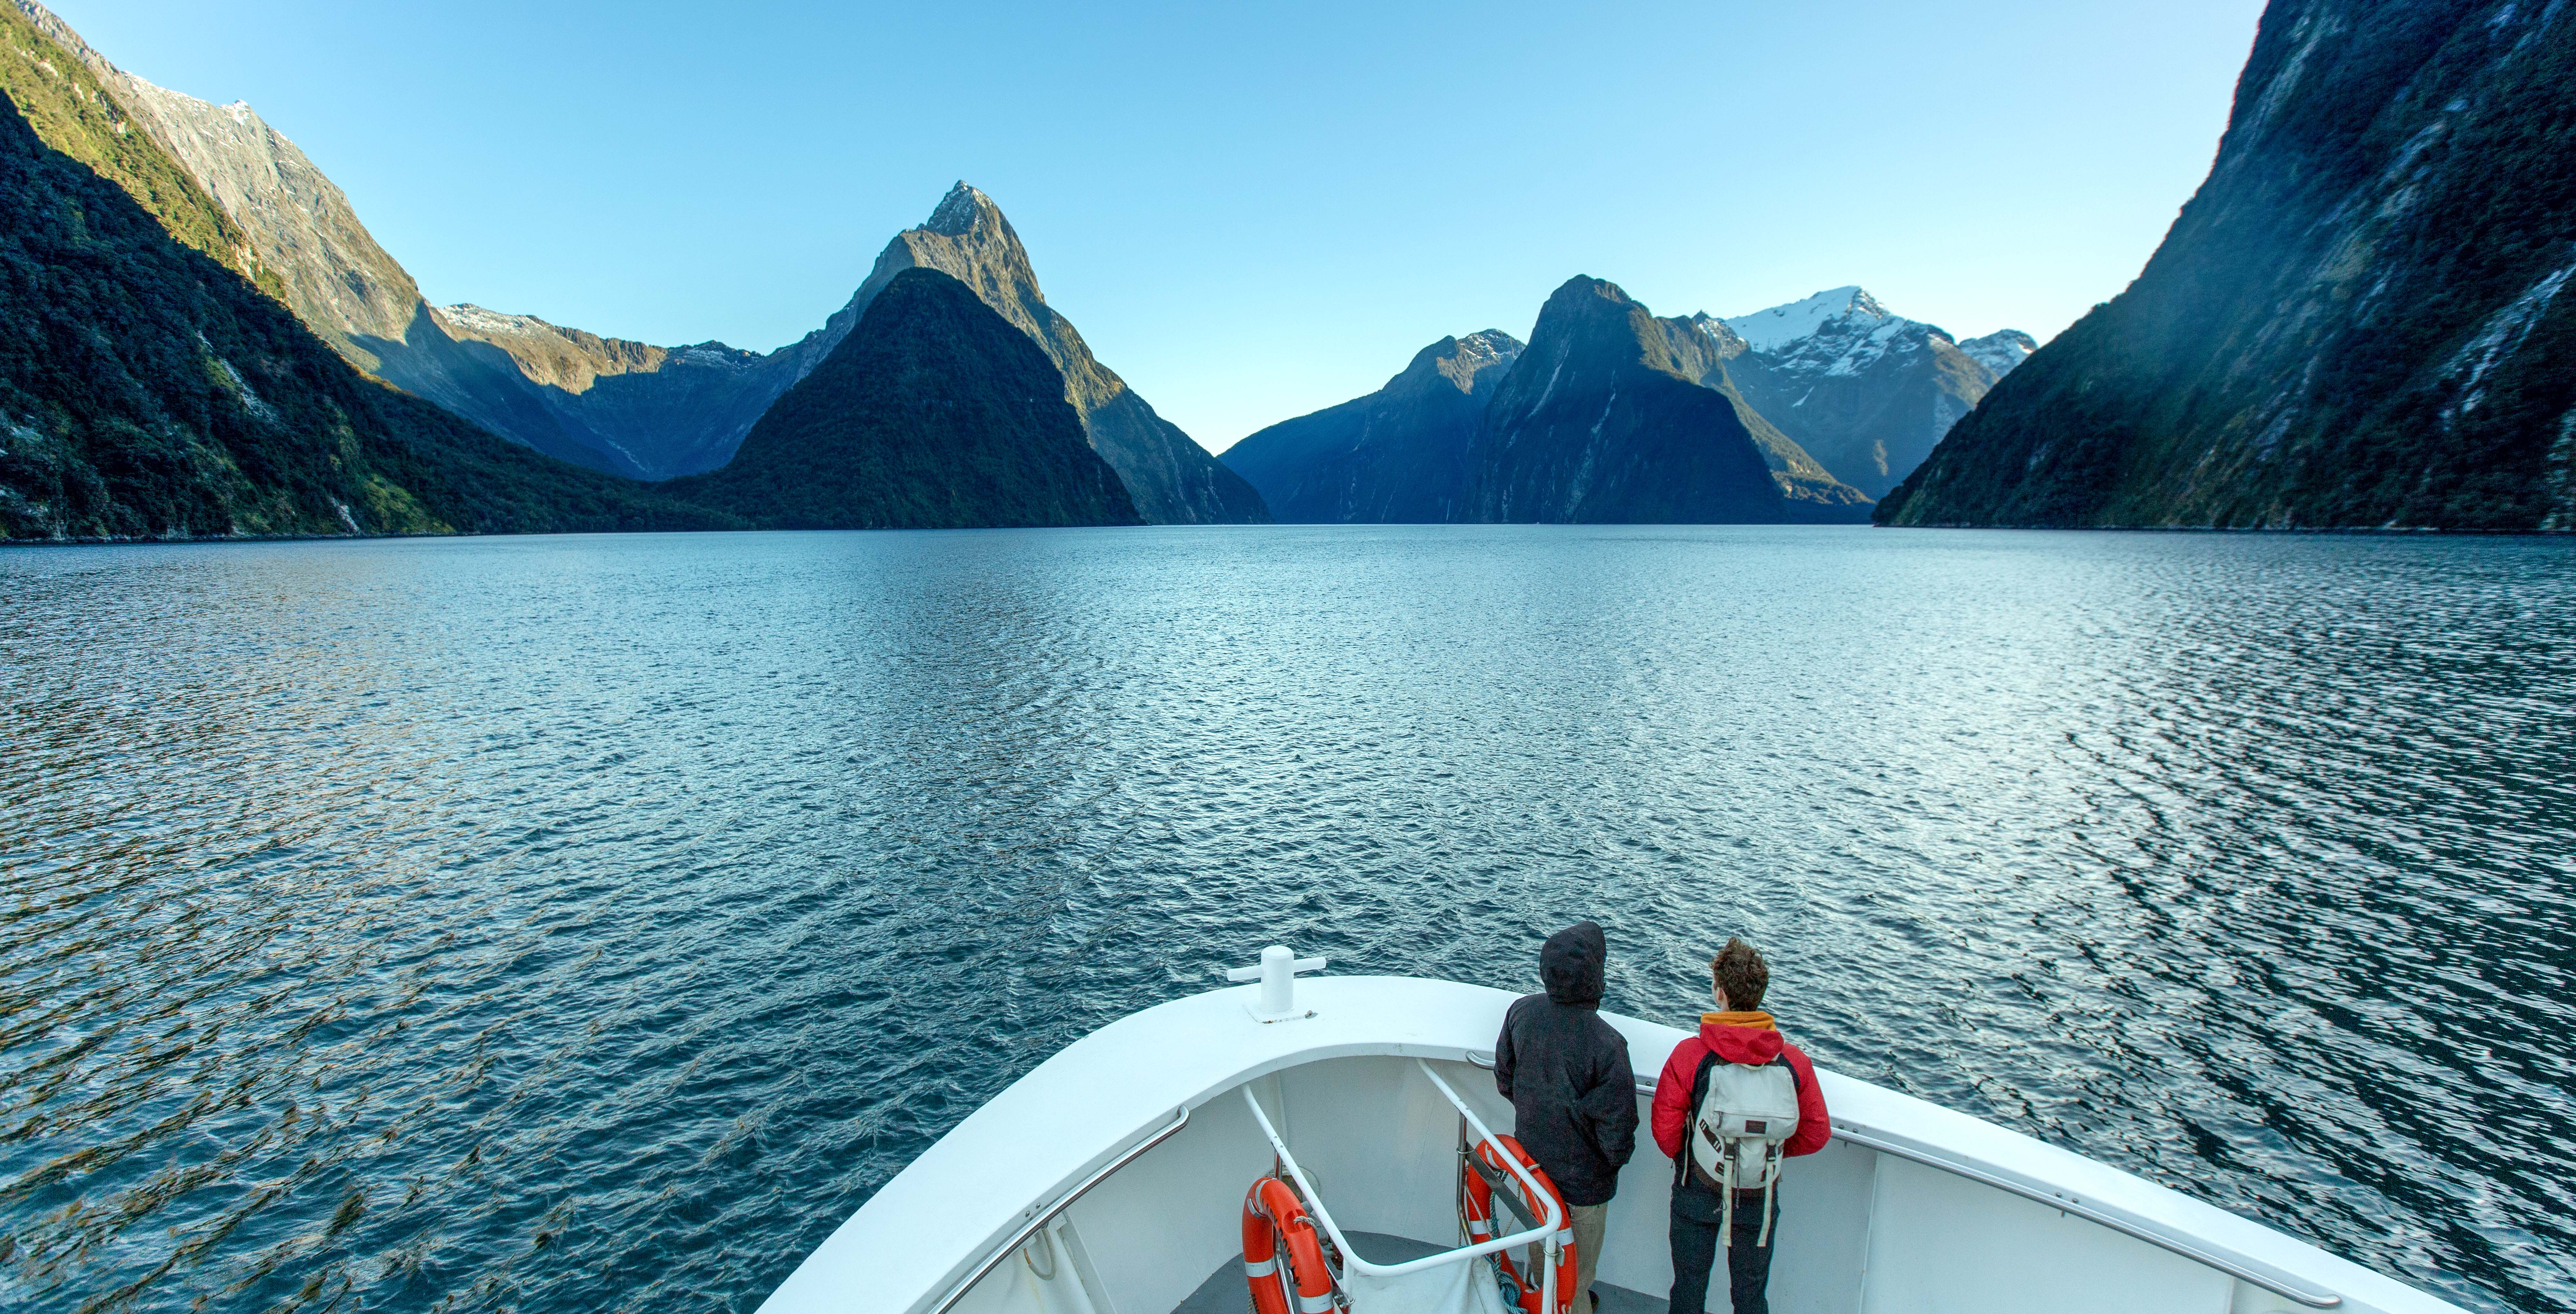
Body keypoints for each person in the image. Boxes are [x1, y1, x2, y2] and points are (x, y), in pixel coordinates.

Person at [1650, 937, 1830, 1314]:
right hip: (1758, 1193)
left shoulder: (1690, 1055)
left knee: (1688, 1287)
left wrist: (1691, 1155)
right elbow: (1816, 1132)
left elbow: (1664, 1128)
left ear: (1719, 993)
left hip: (1697, 1186)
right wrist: (1763, 1147)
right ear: (1760, 996)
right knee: (1749, 1296)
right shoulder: (1794, 1063)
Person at [1493, 921, 1638, 1314]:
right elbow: (1619, 1126)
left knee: (1544, 1254)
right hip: (1587, 1181)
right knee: (1578, 1273)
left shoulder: (1521, 1011)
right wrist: (1608, 1163)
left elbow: (1505, 1078)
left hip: (1535, 1163)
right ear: (1596, 975)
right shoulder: (1607, 1043)